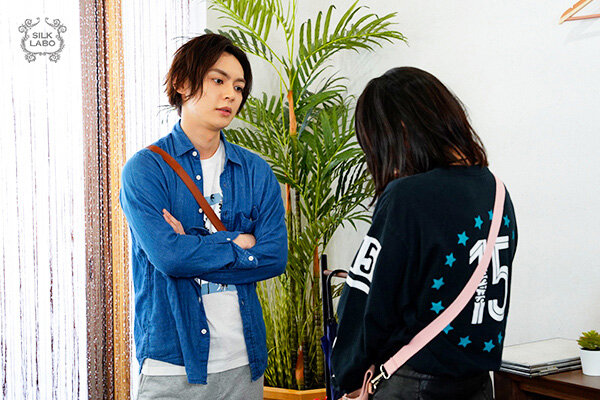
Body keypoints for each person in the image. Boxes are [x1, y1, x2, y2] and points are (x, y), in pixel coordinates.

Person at [330, 67, 517, 399]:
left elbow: (368, 301)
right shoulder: (497, 192)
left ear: (401, 129)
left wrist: (348, 375)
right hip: (477, 385)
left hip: (412, 386)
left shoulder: (406, 197)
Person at [120, 33, 287, 400]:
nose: (231, 95)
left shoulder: (256, 171)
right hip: (172, 365)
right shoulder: (146, 170)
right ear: (182, 84)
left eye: (238, 87)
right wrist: (239, 241)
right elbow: (169, 258)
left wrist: (193, 246)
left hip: (244, 363)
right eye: (218, 80)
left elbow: (275, 257)